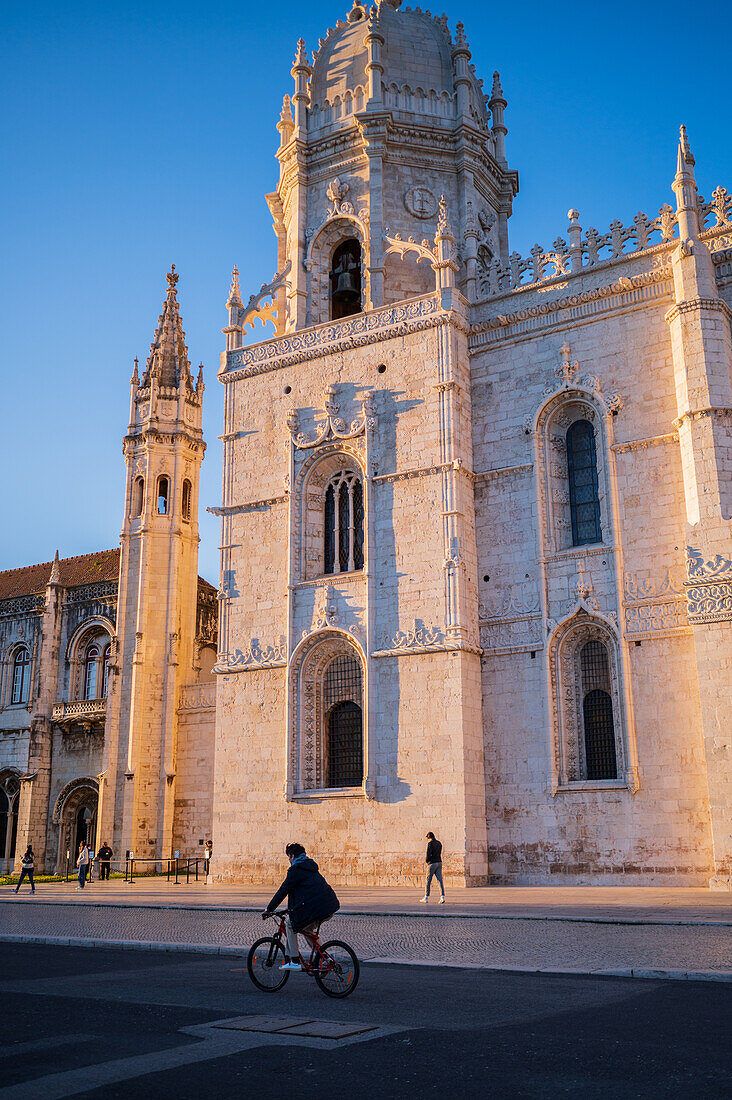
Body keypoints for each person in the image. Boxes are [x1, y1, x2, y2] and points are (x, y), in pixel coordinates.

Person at [262, 843, 340, 971]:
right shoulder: (310, 867)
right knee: (307, 929)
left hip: (318, 908)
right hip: (329, 905)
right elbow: (307, 893)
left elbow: (283, 891)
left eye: (289, 858)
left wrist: (269, 909)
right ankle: (326, 960)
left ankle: (294, 961)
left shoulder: (296, 870)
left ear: (292, 856)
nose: (289, 861)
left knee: (290, 924)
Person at [421, 831, 445, 903]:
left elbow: (428, 854)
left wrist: (427, 861)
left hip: (432, 863)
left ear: (429, 838)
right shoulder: (439, 843)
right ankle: (442, 897)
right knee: (440, 880)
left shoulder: (430, 844)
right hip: (439, 862)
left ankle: (426, 897)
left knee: (428, 880)